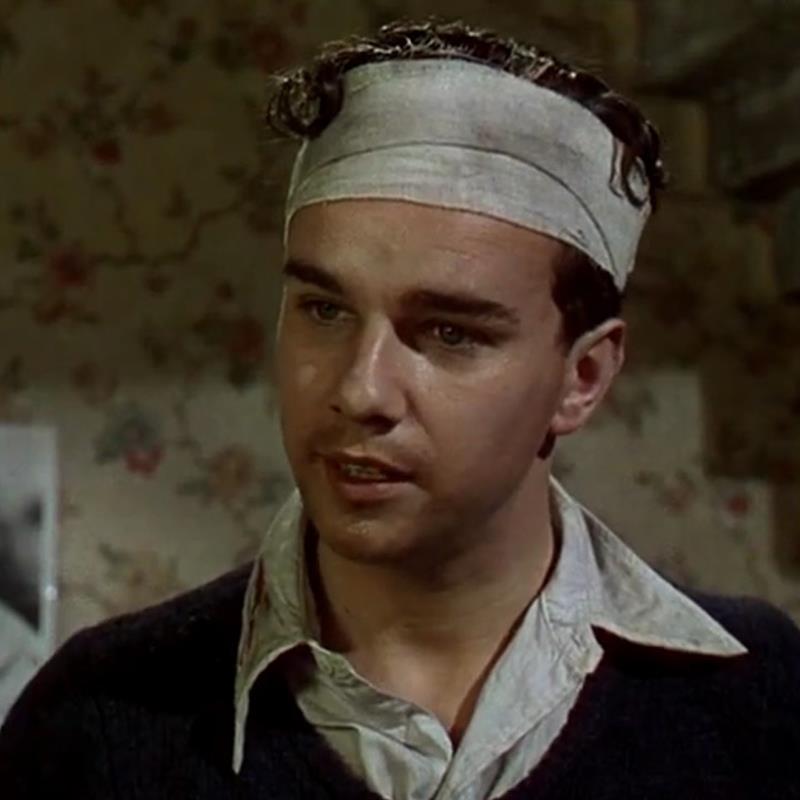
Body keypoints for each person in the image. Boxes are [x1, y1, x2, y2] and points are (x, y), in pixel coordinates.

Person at [2, 18, 799, 799]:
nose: (361, 390)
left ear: (582, 378)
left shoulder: (761, 700)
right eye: (324, 311)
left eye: (450, 332)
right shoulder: (99, 722)